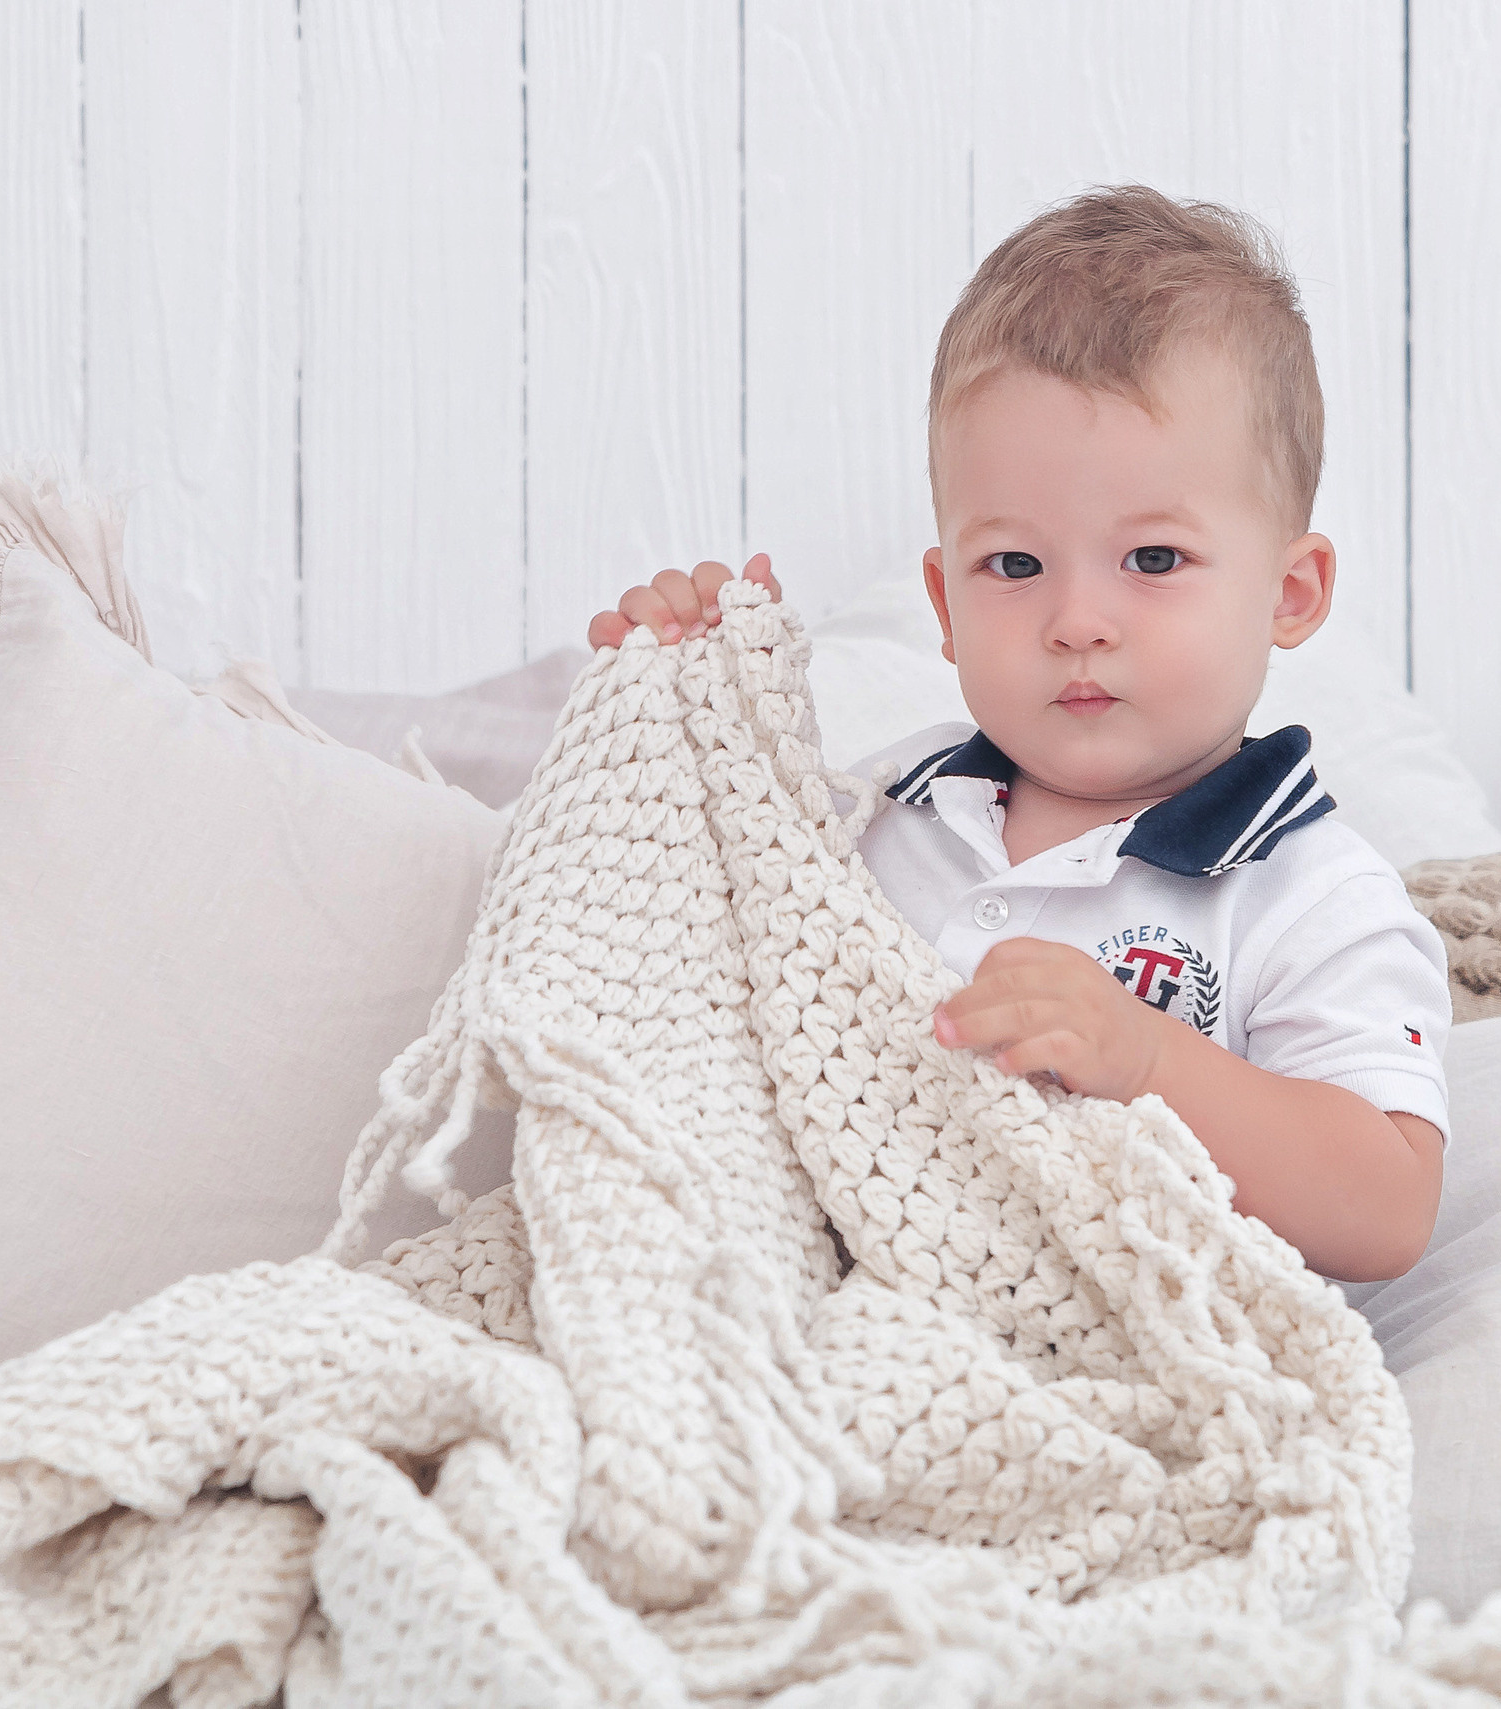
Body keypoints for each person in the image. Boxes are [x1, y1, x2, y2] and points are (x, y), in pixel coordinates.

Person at [588, 186, 1448, 1284]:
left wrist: (1145, 1055)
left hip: (1122, 1342)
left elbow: (1387, 1204)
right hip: (823, 1295)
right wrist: (676, 696)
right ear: (945, 608)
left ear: (1289, 591)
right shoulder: (887, 807)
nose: (1076, 621)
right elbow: (700, 932)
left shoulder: (1307, 894)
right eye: (1015, 565)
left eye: (1152, 560)